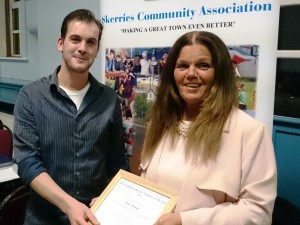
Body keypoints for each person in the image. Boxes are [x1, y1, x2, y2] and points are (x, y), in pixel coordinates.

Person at [140, 31, 277, 225]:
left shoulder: (250, 132)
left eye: (203, 65)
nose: (191, 74)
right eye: (183, 66)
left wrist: (185, 221)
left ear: (219, 72)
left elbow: (258, 212)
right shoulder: (160, 123)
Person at [13, 9, 129, 225]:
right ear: (61, 43)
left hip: (94, 219)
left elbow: (117, 163)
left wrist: (112, 197)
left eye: (91, 42)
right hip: (43, 220)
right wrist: (69, 204)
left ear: (96, 50)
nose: (82, 48)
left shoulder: (109, 100)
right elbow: (28, 163)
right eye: (75, 39)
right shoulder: (30, 97)